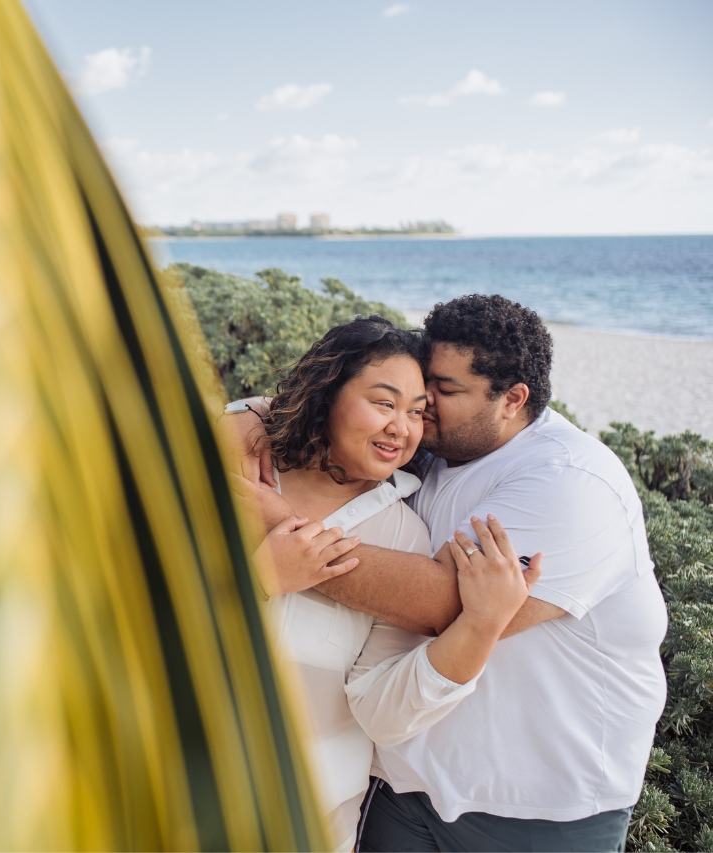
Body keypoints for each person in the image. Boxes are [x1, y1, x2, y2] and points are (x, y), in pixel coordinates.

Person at [225, 295, 667, 852]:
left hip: (536, 810)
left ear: (512, 400)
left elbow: (444, 605)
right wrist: (247, 419)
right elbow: (353, 400)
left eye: (442, 393)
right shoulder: (436, 450)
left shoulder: (569, 481)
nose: (422, 411)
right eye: (420, 393)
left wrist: (272, 526)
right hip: (401, 787)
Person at [227, 315, 540, 851]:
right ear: (327, 394)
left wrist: (483, 625)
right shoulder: (230, 473)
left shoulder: (404, 536)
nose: (403, 427)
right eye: (383, 402)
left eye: (418, 412)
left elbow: (384, 712)